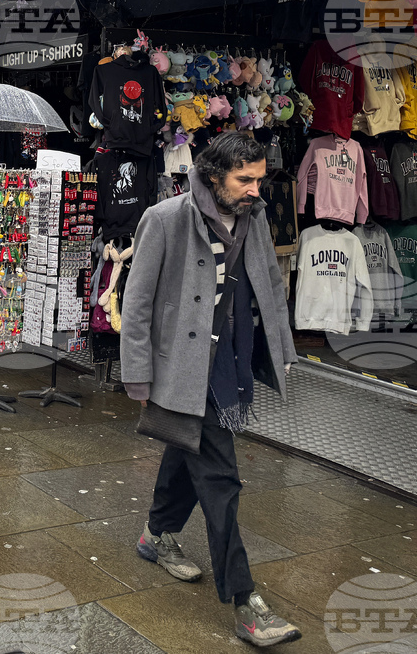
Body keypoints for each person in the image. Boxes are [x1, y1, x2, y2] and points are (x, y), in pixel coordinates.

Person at [121, 131, 300, 648]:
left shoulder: (255, 216)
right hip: (181, 365)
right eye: (244, 180)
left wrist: (282, 350)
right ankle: (247, 604)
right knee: (221, 479)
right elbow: (137, 304)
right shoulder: (166, 218)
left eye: (259, 179)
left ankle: (156, 535)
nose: (254, 189)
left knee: (188, 446)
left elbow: (268, 282)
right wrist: (138, 374)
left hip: (230, 361)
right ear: (212, 174)